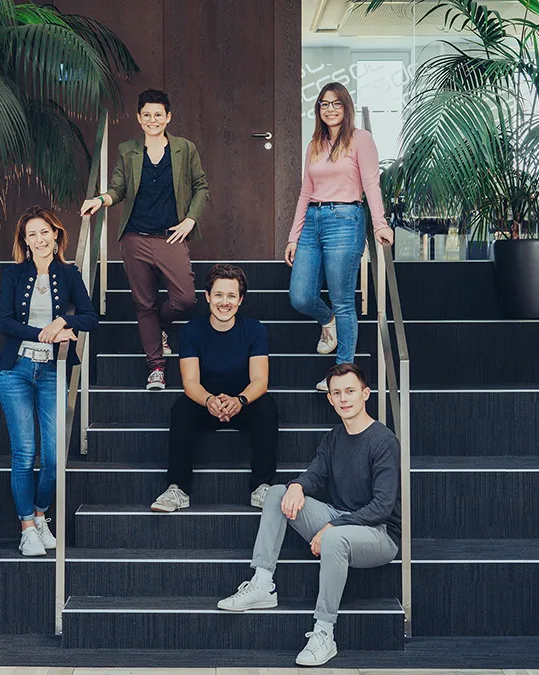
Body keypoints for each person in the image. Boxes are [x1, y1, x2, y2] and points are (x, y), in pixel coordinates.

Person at [217, 362, 400, 667]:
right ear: (329, 399)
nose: (344, 399)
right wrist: (297, 486)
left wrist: (333, 527)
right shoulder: (333, 438)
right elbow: (314, 475)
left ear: (366, 394)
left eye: (350, 391)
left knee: (335, 539)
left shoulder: (383, 442)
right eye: (337, 393)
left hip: (379, 534)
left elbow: (381, 507)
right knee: (276, 494)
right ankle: (262, 583)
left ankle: (324, 633)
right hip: (340, 518)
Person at [80, 89, 209, 391]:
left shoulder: (184, 149)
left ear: (168, 117)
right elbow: (118, 189)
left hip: (171, 237)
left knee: (185, 298)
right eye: (147, 115)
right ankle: (156, 368)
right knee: (144, 304)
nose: (153, 120)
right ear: (139, 118)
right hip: (135, 237)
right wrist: (101, 199)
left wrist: (190, 220)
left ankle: (159, 327)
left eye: (159, 115)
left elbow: (201, 186)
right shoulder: (128, 150)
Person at [0, 206, 99, 556]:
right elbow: (5, 322)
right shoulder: (13, 275)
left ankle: (41, 516)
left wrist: (64, 326)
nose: (39, 240)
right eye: (31, 235)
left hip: (53, 371)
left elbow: (89, 316)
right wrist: (44, 331)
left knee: (54, 457)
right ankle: (26, 526)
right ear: (24, 242)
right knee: (24, 454)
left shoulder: (68, 274)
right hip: (16, 371)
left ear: (55, 235)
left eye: (44, 233)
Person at [286, 83, 396, 392]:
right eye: (324, 104)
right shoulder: (315, 144)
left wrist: (379, 225)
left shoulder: (361, 139)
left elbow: (371, 183)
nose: (330, 109)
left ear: (346, 107)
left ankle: (343, 375)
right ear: (318, 109)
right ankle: (328, 321)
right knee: (301, 296)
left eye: (336, 104)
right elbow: (305, 192)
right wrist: (294, 236)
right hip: (313, 219)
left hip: (346, 219)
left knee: (344, 300)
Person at [150, 264, 279, 513]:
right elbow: (190, 383)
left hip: (242, 403)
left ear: (240, 300)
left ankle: (262, 486)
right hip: (205, 403)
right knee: (182, 409)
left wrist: (239, 401)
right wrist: (209, 400)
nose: (224, 302)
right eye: (218, 295)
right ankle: (178, 488)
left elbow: (260, 381)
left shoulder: (254, 330)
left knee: (266, 407)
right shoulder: (192, 330)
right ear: (208, 296)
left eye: (231, 296)